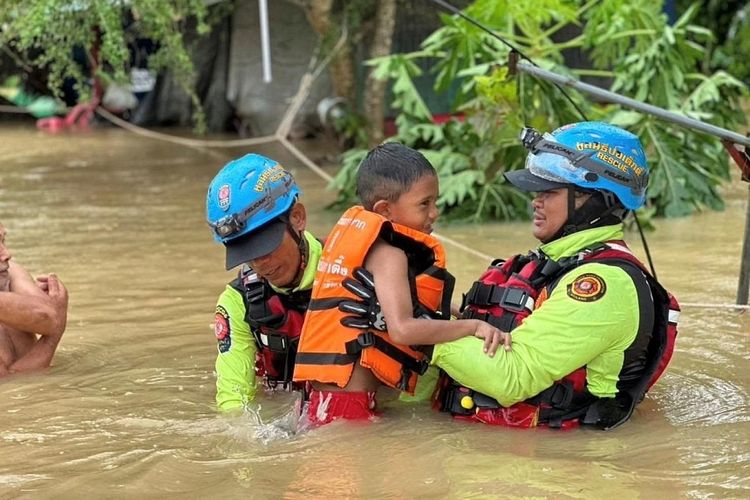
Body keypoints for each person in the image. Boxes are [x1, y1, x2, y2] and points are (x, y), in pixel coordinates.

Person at [431, 121, 680, 430]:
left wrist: (414, 330)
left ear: (593, 198)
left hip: (558, 467)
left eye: (549, 191)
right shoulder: (557, 263)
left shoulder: (604, 285)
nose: (536, 200)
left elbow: (511, 377)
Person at [293, 142, 510, 426]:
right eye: (424, 204)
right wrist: (475, 326)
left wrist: (455, 311)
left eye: (435, 202)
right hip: (349, 406)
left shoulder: (366, 247)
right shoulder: (390, 255)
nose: (434, 213)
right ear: (385, 210)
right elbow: (403, 330)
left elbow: (385, 307)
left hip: (321, 400)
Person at [205, 153, 325, 411]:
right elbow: (234, 398)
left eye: (265, 246)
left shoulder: (352, 271)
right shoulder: (239, 302)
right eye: (247, 253)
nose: (259, 263)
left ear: (297, 218)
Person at [0, 222, 68, 376]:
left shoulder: (11, 272)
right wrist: (53, 337)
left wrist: (57, 319)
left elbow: (49, 317)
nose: (7, 254)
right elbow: (15, 381)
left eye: (3, 241)